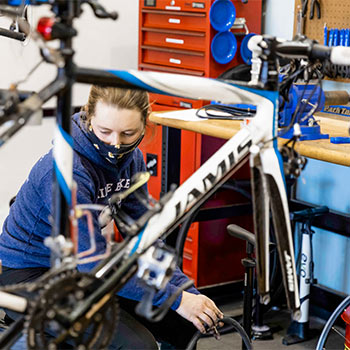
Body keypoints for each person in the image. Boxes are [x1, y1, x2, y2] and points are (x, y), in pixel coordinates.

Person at [0, 86, 223, 349]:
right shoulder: (65, 170)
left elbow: (146, 237)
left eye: (128, 134)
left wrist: (186, 292)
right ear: (88, 116)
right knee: (138, 346)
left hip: (80, 271)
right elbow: (92, 265)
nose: (115, 145)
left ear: (144, 124)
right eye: (104, 132)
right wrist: (175, 298)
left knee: (183, 325)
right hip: (31, 276)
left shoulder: (132, 160)